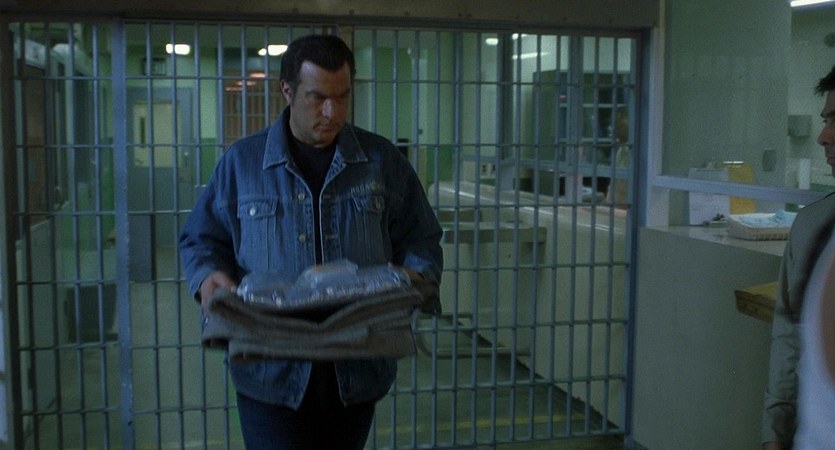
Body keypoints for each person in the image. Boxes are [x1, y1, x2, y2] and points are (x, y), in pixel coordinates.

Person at [179, 34, 443, 449]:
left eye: (342, 97)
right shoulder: (242, 164)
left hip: (356, 368)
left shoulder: (381, 162)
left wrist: (414, 276)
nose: (331, 112)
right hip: (270, 371)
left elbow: (421, 236)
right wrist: (208, 277)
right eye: (317, 97)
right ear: (287, 91)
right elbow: (201, 239)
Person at [762, 64, 835, 450]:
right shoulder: (814, 228)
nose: (824, 137)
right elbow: (789, 342)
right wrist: (773, 432)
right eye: (826, 120)